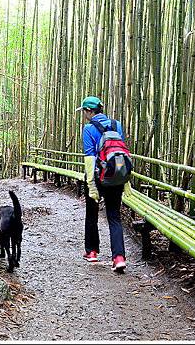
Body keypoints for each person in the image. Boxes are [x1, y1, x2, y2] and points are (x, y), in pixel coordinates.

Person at [76, 96, 128, 273]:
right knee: (114, 216)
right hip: (116, 176)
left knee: (92, 213)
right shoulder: (116, 125)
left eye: (84, 111)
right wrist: (126, 182)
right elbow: (121, 152)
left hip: (98, 176)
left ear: (90, 111)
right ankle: (119, 257)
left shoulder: (89, 128)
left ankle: (91, 252)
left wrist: (91, 184)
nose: (84, 114)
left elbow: (90, 158)